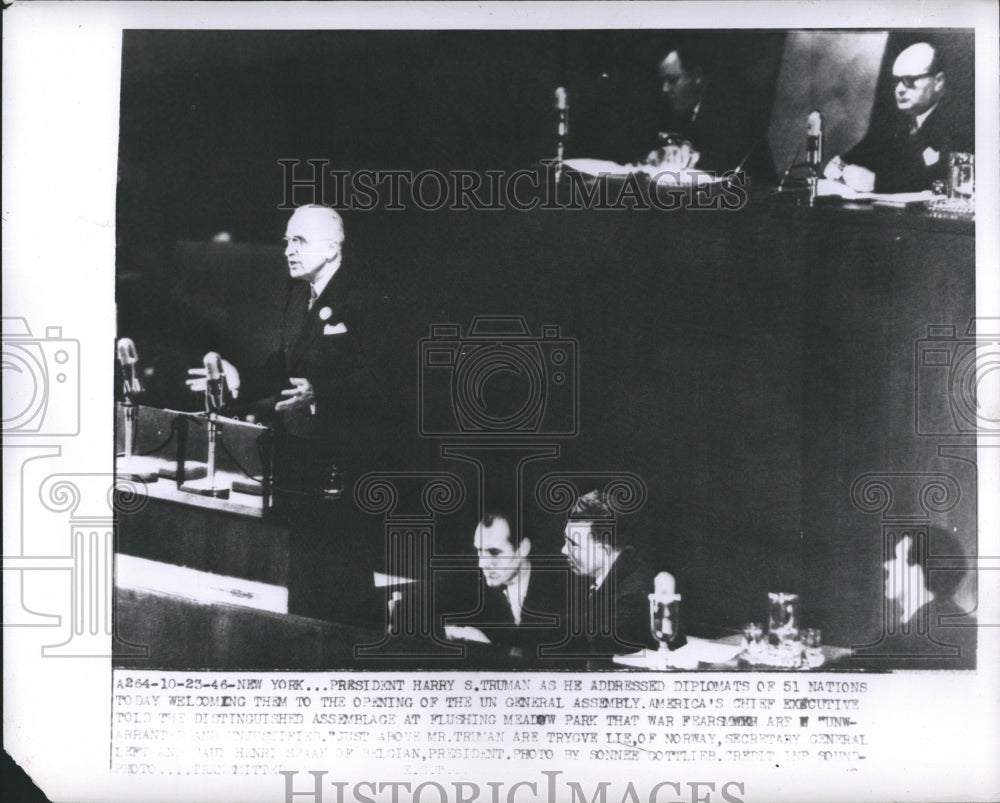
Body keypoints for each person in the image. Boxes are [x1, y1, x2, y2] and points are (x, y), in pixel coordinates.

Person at [186, 204, 383, 623]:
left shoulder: (366, 293)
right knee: (305, 585)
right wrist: (238, 380)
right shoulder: (298, 296)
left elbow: (389, 377)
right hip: (298, 465)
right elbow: (284, 368)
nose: (288, 250)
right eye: (286, 241)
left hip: (344, 469)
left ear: (332, 248)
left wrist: (321, 392)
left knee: (343, 588)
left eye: (300, 241)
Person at [825, 42, 973, 193]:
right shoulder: (895, 124)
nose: (900, 89)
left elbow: (941, 176)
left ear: (938, 81)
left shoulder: (960, 122)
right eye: (897, 81)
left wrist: (878, 182)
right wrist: (840, 165)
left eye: (910, 81)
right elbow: (859, 155)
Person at [441, 506, 566, 664]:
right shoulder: (466, 584)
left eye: (494, 552)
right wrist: (454, 632)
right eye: (479, 551)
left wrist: (491, 651)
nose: (482, 564)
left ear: (523, 548)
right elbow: (409, 610)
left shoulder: (562, 588)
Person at [643, 43, 774, 182]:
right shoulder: (688, 111)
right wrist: (663, 155)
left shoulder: (731, 112)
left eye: (672, 80)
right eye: (663, 81)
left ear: (698, 76)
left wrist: (693, 157)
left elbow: (727, 166)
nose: (665, 89)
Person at [559, 490, 661, 660]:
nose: (563, 550)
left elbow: (591, 644)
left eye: (573, 544)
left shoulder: (633, 595)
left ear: (606, 551)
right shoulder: (611, 578)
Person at [856, 527, 976, 669]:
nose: (886, 565)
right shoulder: (974, 632)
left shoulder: (894, 643)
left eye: (898, 558)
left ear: (921, 571)